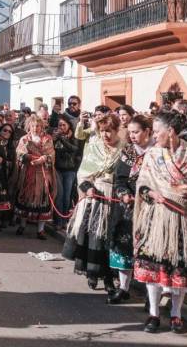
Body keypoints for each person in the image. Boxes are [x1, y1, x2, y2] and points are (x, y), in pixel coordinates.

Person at [134, 110, 187, 334]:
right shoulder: (152, 155)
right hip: (159, 219)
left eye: (158, 131)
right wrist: (152, 193)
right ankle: (153, 313)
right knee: (154, 268)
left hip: (186, 219)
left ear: (170, 131)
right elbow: (142, 181)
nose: (154, 136)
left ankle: (176, 314)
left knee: (181, 270)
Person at [63, 113, 124, 293]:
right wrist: (87, 187)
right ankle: (92, 273)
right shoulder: (93, 146)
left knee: (111, 239)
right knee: (94, 237)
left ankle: (109, 278)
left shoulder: (124, 149)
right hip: (95, 196)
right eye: (102, 131)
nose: (106, 135)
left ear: (116, 130)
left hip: (115, 197)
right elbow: (83, 171)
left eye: (109, 131)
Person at [107, 115, 153, 305]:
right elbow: (120, 178)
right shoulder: (128, 152)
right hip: (128, 208)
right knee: (124, 247)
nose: (132, 136)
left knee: (150, 251)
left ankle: (152, 296)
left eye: (136, 132)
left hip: (152, 209)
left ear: (147, 131)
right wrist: (124, 193)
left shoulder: (157, 152)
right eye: (130, 132)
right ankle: (124, 288)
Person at [14, 115, 56, 239]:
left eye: (38, 126)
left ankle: (40, 230)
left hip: (43, 174)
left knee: (42, 200)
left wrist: (45, 158)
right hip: (28, 173)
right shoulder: (24, 139)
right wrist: (29, 158)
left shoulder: (47, 139)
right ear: (29, 126)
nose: (35, 128)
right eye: (33, 126)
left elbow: (52, 154)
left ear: (42, 126)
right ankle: (22, 224)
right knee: (25, 198)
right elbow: (19, 153)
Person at [53, 115, 80, 229]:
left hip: (70, 170)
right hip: (58, 169)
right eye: (60, 125)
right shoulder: (55, 137)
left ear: (69, 126)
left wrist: (62, 139)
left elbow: (74, 149)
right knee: (59, 195)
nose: (62, 127)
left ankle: (65, 220)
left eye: (64, 125)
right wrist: (54, 140)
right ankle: (58, 221)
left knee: (67, 196)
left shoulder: (74, 137)